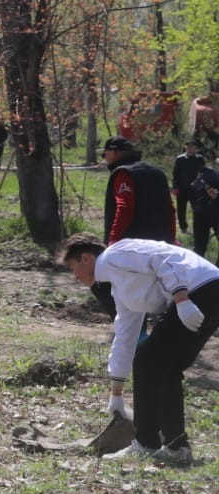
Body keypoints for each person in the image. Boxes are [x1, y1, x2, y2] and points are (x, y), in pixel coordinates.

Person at [60, 234, 216, 467]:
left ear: (85, 258)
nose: (74, 276)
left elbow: (163, 257)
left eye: (72, 268)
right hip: (206, 293)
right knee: (167, 369)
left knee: (147, 361)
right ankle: (177, 447)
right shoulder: (120, 288)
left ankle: (146, 443)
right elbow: (125, 336)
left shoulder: (115, 255)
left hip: (200, 290)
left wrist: (182, 299)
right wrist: (116, 394)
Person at [101, 136, 176, 245]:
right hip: (161, 242)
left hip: (132, 244)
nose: (104, 157)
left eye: (104, 154)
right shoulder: (157, 172)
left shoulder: (124, 174)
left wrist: (114, 239)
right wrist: (172, 238)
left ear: (113, 152)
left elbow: (125, 207)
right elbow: (170, 208)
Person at [172, 139, 206, 236]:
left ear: (196, 148)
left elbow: (203, 173)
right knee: (181, 209)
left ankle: (197, 227)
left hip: (195, 189)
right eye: (188, 146)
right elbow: (175, 174)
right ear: (185, 147)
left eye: (192, 146)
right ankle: (183, 227)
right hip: (182, 188)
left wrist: (202, 186)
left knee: (197, 209)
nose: (190, 148)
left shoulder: (200, 159)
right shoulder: (180, 159)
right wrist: (175, 187)